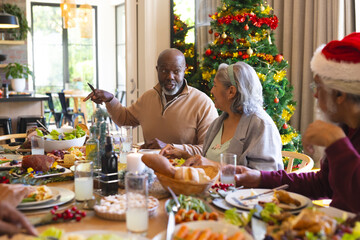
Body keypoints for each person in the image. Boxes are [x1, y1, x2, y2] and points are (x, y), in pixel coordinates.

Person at [234, 32, 360, 213]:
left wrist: (336, 143)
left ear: (341, 94)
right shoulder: (347, 127)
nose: (315, 94)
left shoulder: (339, 136)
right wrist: (259, 178)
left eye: (318, 86)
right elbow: (323, 184)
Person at [84, 48, 218, 155]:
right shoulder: (148, 97)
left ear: (185, 70)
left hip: (187, 175)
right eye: (164, 70)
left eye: (176, 71)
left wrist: (170, 148)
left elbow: (209, 150)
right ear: (157, 70)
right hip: (149, 172)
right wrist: (110, 99)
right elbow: (124, 119)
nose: (170, 76)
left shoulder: (203, 103)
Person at [161, 61, 284, 171]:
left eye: (215, 85)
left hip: (244, 196)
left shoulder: (261, 125)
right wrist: (184, 155)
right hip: (214, 192)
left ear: (231, 92)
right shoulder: (218, 123)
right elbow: (207, 162)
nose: (212, 91)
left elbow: (265, 176)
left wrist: (212, 166)